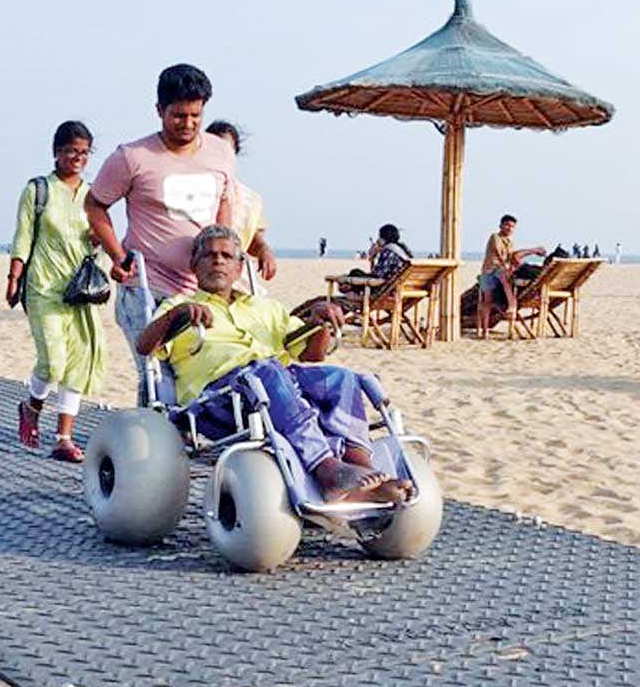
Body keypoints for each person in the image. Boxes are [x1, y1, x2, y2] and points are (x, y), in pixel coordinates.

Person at [137, 226, 410, 503]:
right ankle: (325, 468)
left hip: (279, 388)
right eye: (208, 255)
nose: (218, 260)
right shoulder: (180, 305)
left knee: (342, 378)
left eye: (226, 256)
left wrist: (321, 325)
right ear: (194, 265)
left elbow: (312, 355)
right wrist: (177, 316)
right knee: (266, 371)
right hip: (219, 401)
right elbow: (144, 347)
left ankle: (363, 468)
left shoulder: (266, 308)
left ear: (240, 266)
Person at [85, 63, 237, 402]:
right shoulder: (132, 157)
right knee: (156, 374)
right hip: (146, 285)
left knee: (195, 368)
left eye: (195, 116)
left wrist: (224, 250)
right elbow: (95, 204)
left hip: (199, 287)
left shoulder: (220, 152)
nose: (188, 124)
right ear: (159, 111)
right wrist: (117, 254)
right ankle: (149, 448)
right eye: (178, 116)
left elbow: (224, 201)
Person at [6, 120, 106, 463]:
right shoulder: (38, 190)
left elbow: (103, 238)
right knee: (53, 361)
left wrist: (100, 243)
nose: (76, 158)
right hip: (44, 287)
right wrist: (14, 276)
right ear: (56, 152)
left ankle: (64, 437)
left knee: (77, 364)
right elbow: (23, 235)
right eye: (69, 151)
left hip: (81, 291)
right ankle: (31, 406)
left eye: (83, 152)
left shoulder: (94, 195)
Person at [204, 120, 277, 283]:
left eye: (227, 151)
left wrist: (264, 250)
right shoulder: (188, 187)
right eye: (215, 150)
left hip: (234, 278)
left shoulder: (249, 198)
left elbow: (252, 240)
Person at [477, 214, 544, 335]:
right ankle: (485, 330)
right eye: (507, 225)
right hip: (489, 270)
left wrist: (530, 253)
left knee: (505, 277)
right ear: (501, 225)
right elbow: (499, 254)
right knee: (487, 300)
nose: (509, 228)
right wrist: (506, 266)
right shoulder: (495, 237)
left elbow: (512, 256)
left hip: (500, 271)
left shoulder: (510, 242)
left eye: (512, 226)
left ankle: (512, 304)